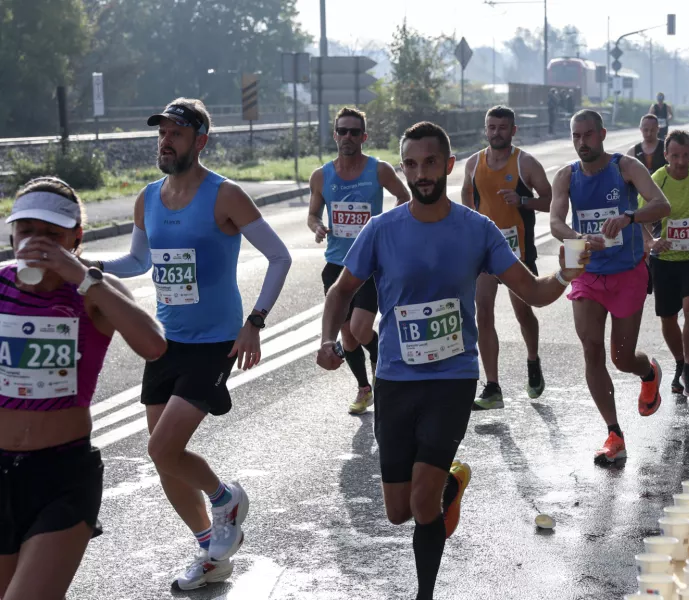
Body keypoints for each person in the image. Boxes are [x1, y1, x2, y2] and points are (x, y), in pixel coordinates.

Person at [316, 121, 592, 600]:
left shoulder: (477, 230)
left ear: (446, 165)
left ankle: (425, 593)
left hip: (452, 377)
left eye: (430, 163)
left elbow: (534, 291)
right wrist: (328, 342)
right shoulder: (382, 231)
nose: (422, 173)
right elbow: (341, 291)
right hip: (396, 379)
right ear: (404, 169)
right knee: (398, 511)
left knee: (421, 503)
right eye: (412, 164)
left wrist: (565, 273)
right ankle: (450, 486)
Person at [90, 99, 293, 589]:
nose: (165, 140)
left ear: (201, 140)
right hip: (164, 344)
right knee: (163, 462)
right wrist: (91, 269)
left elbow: (280, 257)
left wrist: (256, 321)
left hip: (215, 343)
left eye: (177, 132)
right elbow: (139, 262)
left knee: (162, 447)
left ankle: (226, 500)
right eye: (161, 132)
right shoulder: (148, 198)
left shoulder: (225, 195)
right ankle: (210, 552)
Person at [0, 178, 167, 600]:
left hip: (62, 475)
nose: (39, 244)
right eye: (27, 232)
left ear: (77, 237)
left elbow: (154, 346)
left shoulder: (93, 293)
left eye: (53, 235)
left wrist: (82, 276)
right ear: (11, 234)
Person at [550, 109, 671, 465]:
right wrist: (578, 237)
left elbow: (662, 204)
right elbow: (556, 220)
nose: (581, 143)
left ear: (602, 135)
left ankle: (649, 371)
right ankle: (614, 432)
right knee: (591, 348)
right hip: (587, 271)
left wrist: (629, 217)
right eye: (576, 136)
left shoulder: (625, 167)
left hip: (627, 271)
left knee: (621, 358)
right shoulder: (566, 176)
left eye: (588, 135)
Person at [307, 107, 410, 415]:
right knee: (348, 336)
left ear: (364, 137)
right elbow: (312, 214)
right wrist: (318, 227)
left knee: (361, 328)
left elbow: (404, 198)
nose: (347, 137)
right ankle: (364, 388)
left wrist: (384, 228)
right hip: (336, 263)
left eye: (354, 132)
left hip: (370, 264)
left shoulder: (379, 170)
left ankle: (383, 365)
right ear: (335, 135)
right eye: (342, 131)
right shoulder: (320, 176)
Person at [460, 105, 553, 409]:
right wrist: (473, 221)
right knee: (482, 312)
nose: (496, 132)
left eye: (502, 127)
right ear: (485, 130)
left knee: (523, 313)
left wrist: (523, 200)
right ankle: (493, 386)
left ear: (513, 131)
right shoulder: (474, 163)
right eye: (491, 127)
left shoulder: (526, 163)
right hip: (485, 250)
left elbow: (549, 199)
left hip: (518, 252)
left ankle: (533, 359)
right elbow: (465, 194)